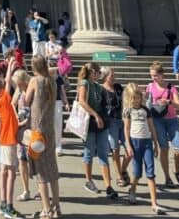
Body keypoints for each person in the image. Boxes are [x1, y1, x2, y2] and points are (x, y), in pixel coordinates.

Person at [24, 55, 61, 219]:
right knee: (52, 169)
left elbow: (26, 100)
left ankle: (46, 210)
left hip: (37, 130)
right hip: (49, 130)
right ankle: (57, 206)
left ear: (34, 67)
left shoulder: (35, 81)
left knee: (41, 172)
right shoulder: (51, 81)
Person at [123, 82, 168, 214]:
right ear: (130, 98)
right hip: (135, 143)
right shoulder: (128, 111)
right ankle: (132, 190)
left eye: (138, 98)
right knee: (137, 172)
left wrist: (155, 143)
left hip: (147, 142)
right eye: (133, 98)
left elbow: (152, 127)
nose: (136, 100)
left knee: (151, 172)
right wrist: (128, 145)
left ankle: (154, 203)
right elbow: (126, 129)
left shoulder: (146, 110)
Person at [77, 62, 118, 199]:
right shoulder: (84, 83)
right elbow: (82, 101)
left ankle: (108, 186)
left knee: (103, 153)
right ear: (92, 72)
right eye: (98, 72)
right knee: (88, 152)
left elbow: (103, 103)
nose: (100, 75)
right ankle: (88, 181)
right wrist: (95, 115)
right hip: (89, 122)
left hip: (101, 122)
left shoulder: (98, 87)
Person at [0, 58, 26, 219]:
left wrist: (21, 123)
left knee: (4, 171)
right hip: (9, 141)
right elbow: (7, 83)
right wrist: (11, 67)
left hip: (6, 139)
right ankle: (9, 207)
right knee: (11, 172)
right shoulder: (4, 100)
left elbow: (13, 92)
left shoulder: (0, 102)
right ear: (2, 91)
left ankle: (3, 203)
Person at [146, 61, 179, 187]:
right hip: (157, 120)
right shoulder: (150, 87)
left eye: (156, 75)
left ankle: (176, 171)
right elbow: (146, 102)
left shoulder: (171, 88)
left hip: (172, 119)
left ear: (162, 75)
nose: (153, 78)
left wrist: (169, 102)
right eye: (151, 75)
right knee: (164, 148)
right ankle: (167, 177)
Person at [100, 67, 130, 186]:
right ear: (106, 76)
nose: (114, 77)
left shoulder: (118, 87)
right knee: (115, 149)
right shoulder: (101, 89)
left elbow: (125, 100)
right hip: (111, 121)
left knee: (130, 147)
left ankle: (123, 169)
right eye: (111, 75)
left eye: (114, 75)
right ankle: (119, 176)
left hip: (122, 120)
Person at [11, 69, 32, 203]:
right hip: (20, 131)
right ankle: (26, 190)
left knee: (34, 162)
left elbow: (35, 110)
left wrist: (25, 121)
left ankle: (43, 190)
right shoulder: (19, 91)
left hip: (30, 131)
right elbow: (12, 104)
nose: (17, 86)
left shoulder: (31, 90)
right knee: (22, 160)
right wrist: (16, 119)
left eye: (19, 83)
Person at [54, 69, 70, 156]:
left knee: (58, 125)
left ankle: (58, 146)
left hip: (57, 102)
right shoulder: (45, 77)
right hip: (47, 103)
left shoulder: (59, 78)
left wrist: (66, 102)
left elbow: (62, 92)